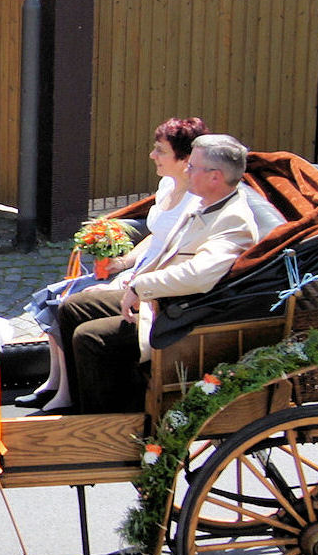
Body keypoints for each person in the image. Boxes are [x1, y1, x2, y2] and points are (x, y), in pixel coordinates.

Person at [52, 133, 262, 415]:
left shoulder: (233, 219)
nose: (186, 171)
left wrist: (141, 287)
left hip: (183, 315)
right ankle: (81, 405)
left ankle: (105, 426)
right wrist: (130, 278)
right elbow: (166, 251)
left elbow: (200, 275)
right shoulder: (205, 202)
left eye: (193, 167)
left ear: (215, 177)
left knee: (90, 338)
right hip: (162, 300)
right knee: (72, 308)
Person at [16, 116, 208, 411]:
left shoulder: (195, 204)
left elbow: (173, 254)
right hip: (138, 266)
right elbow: (155, 236)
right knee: (55, 296)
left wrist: (131, 279)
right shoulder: (168, 185)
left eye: (160, 150)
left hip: (153, 274)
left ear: (184, 159)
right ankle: (56, 381)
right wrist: (123, 261)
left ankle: (70, 392)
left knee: (69, 302)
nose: (152, 155)